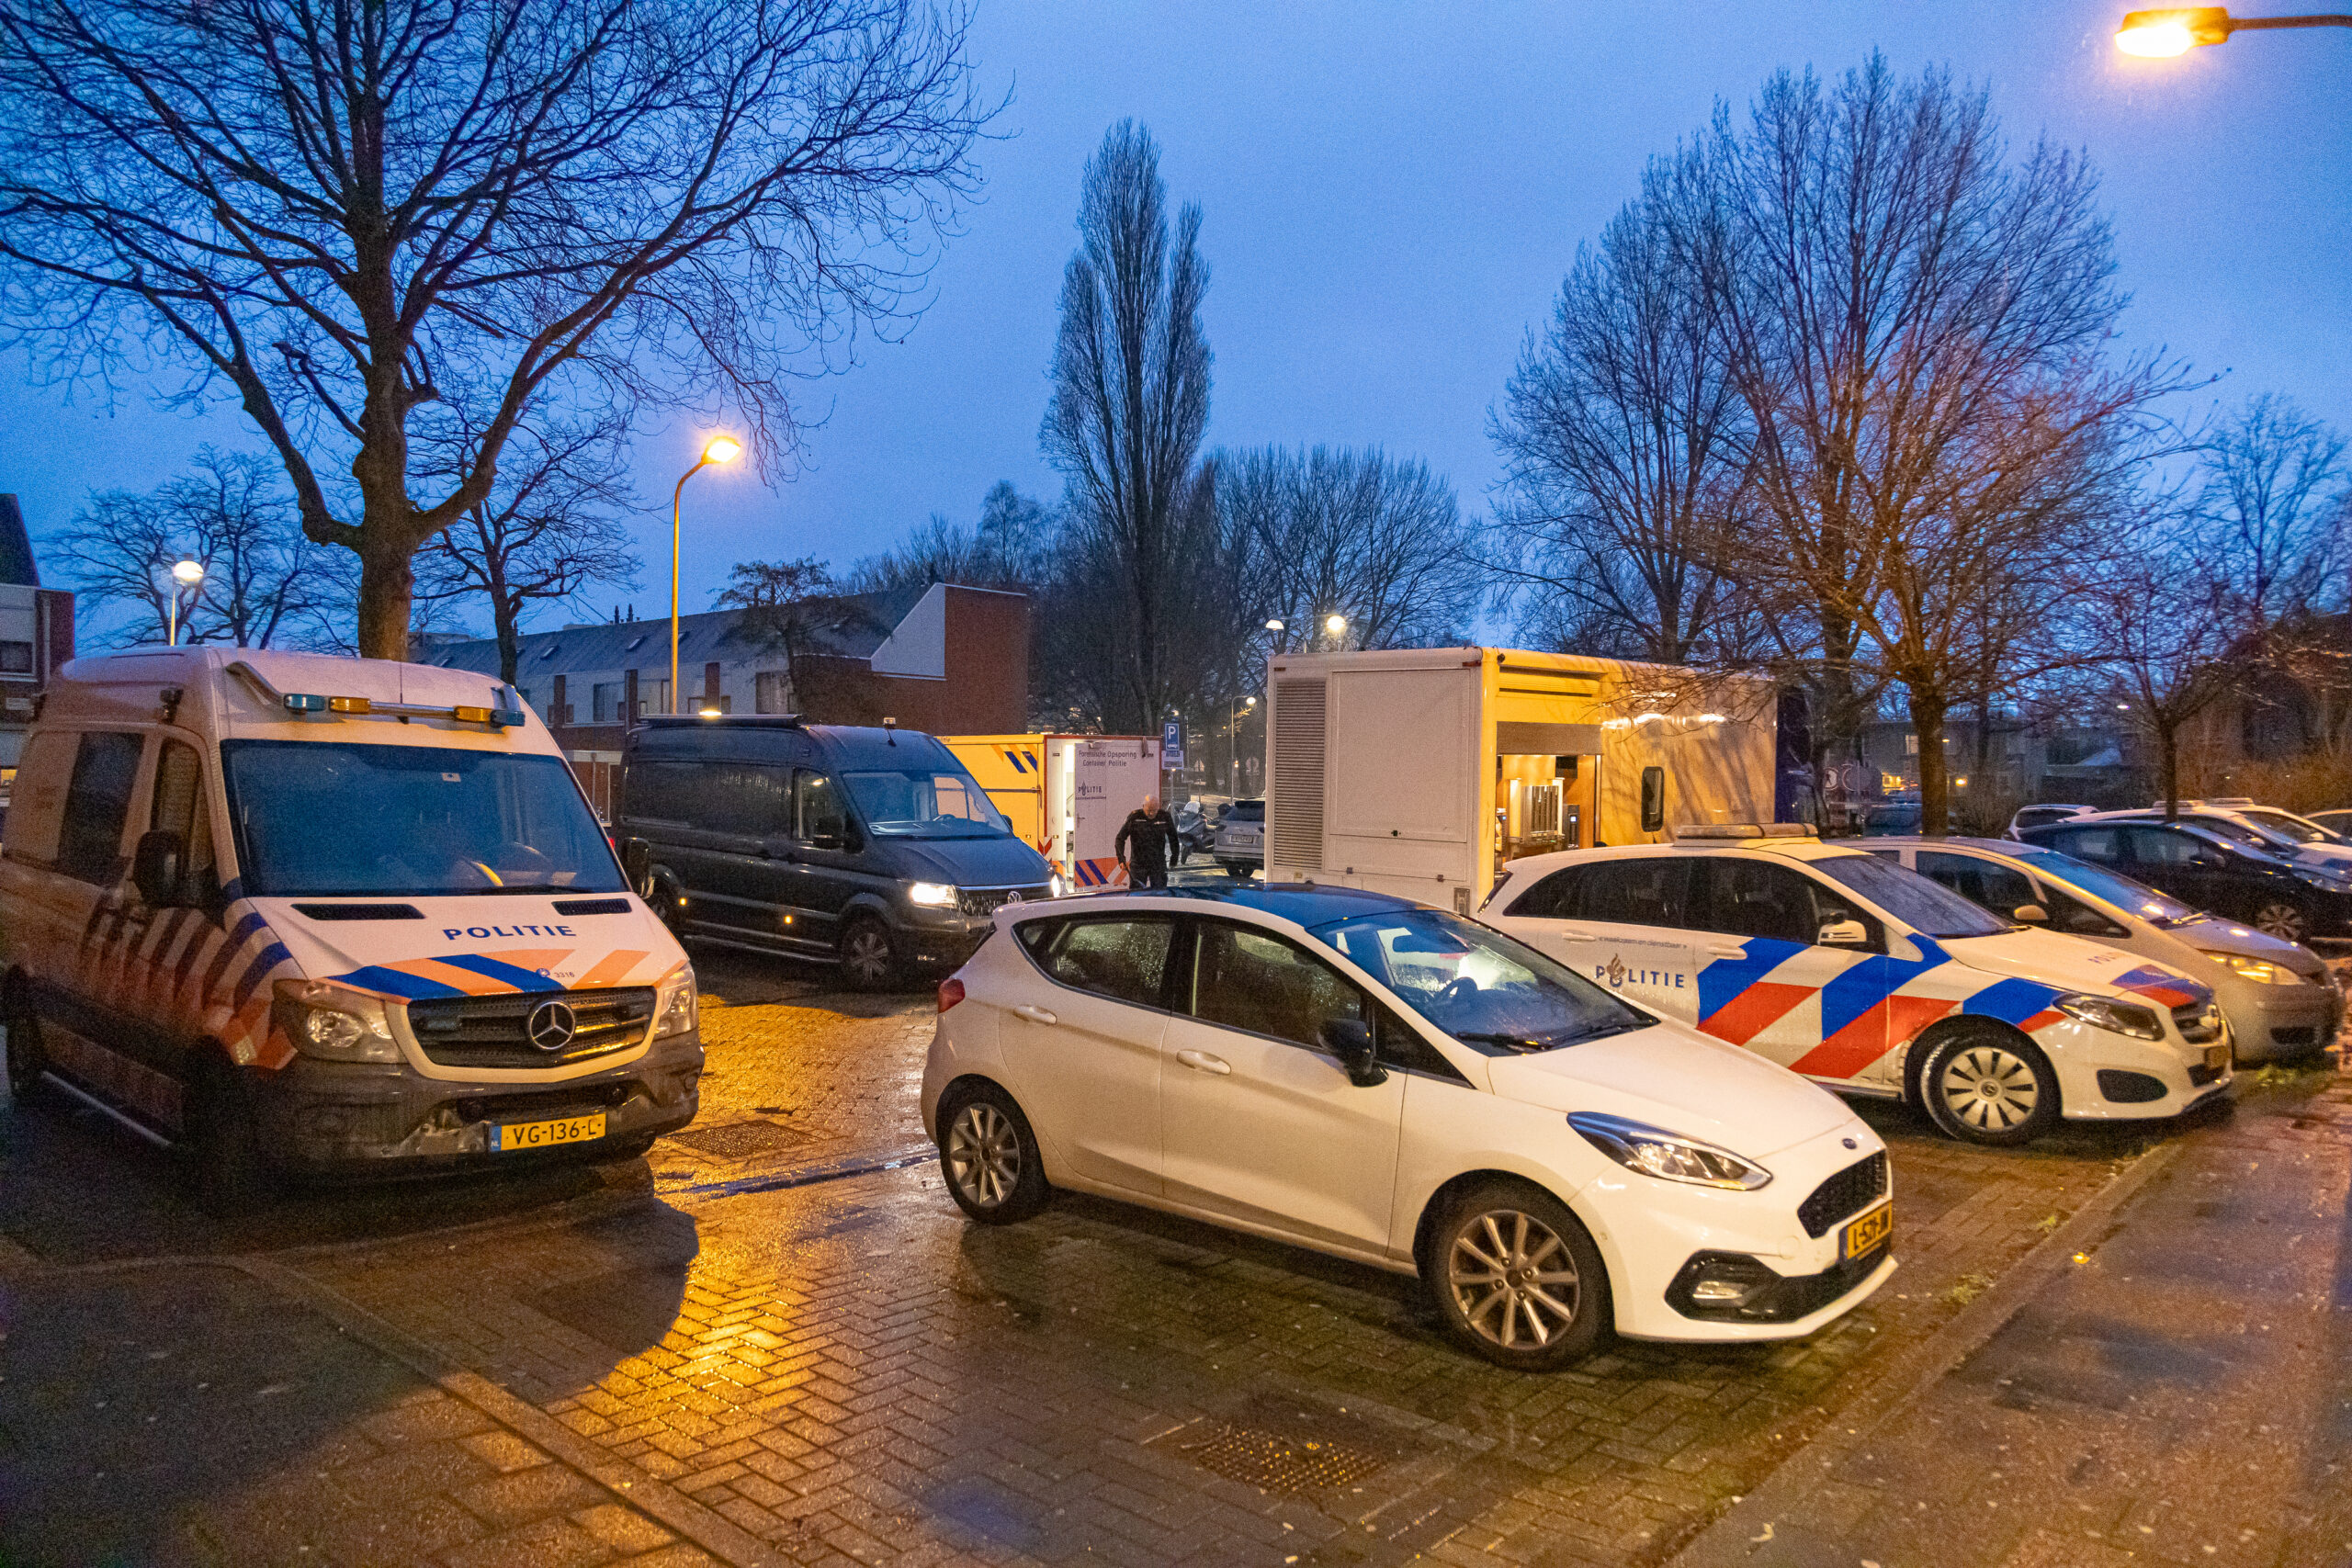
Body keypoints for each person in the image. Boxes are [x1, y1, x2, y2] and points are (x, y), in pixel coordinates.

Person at [1116, 794, 1181, 891]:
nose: (1151, 813)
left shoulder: (1164, 817)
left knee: (1160, 893)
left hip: (1158, 863)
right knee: (1136, 894)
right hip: (1138, 864)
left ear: (1158, 807)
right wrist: (1121, 860)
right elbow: (1120, 839)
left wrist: (1174, 859)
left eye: (1154, 810)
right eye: (1148, 810)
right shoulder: (1134, 817)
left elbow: (1174, 839)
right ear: (1143, 807)